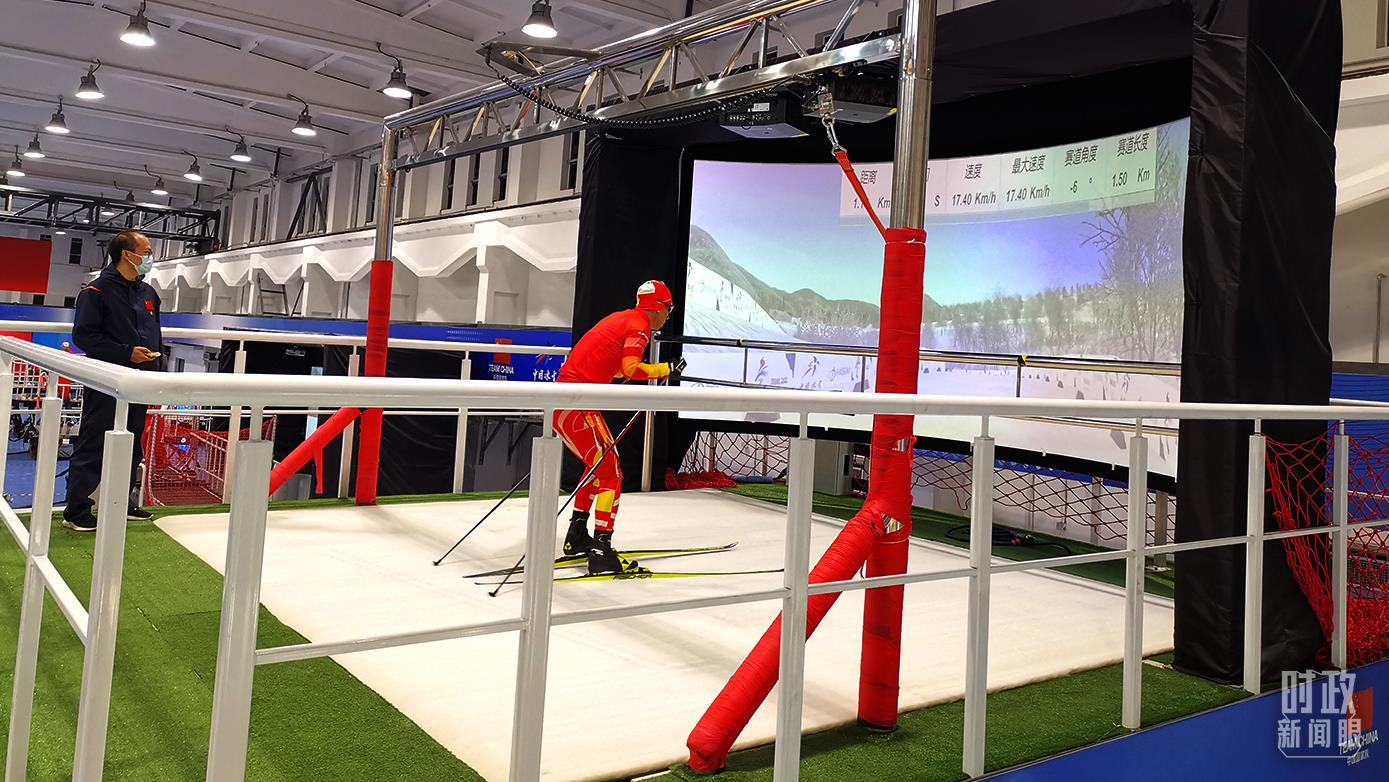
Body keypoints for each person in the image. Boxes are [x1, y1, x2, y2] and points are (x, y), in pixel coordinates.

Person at [554, 280, 685, 575]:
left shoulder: (623, 318)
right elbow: (630, 368)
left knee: (597, 468)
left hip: (569, 403)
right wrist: (666, 368)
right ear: (658, 308)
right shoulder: (639, 326)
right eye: (668, 309)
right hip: (577, 404)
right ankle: (601, 550)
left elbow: (614, 368)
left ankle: (577, 534)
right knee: (611, 473)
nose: (668, 316)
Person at [62, 230, 163, 531]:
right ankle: (76, 510)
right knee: (94, 442)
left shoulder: (148, 294)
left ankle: (122, 502)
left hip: (141, 382)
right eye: (146, 252)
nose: (150, 257)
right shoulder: (96, 292)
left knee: (132, 442)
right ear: (127, 255)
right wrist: (126, 353)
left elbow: (155, 335)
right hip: (106, 381)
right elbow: (84, 336)